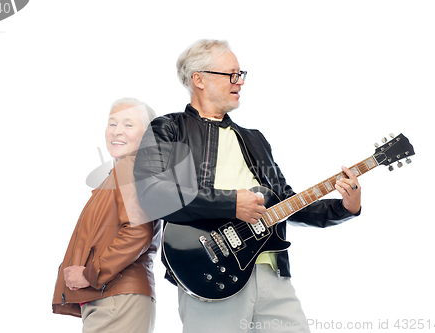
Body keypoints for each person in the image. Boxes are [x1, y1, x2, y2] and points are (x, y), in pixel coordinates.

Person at [133, 40, 362, 333]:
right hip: (210, 272)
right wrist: (230, 203)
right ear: (198, 79)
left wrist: (345, 207)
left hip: (273, 273)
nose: (239, 81)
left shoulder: (255, 139)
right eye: (230, 74)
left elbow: (286, 202)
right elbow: (151, 194)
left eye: (240, 74)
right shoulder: (169, 128)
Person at [52, 98, 161, 333]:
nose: (117, 131)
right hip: (113, 298)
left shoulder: (129, 167)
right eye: (112, 123)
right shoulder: (120, 174)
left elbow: (138, 231)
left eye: (128, 124)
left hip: (116, 298)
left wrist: (91, 275)